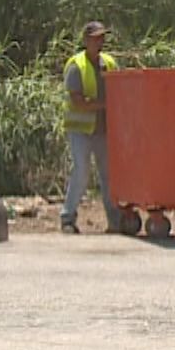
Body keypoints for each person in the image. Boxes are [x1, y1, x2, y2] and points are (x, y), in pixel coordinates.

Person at [62, 20, 124, 233]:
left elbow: (120, 90)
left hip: (103, 130)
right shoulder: (76, 66)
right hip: (81, 130)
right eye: (95, 38)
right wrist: (105, 105)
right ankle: (67, 217)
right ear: (86, 40)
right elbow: (78, 101)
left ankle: (114, 221)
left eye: (102, 37)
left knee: (108, 175)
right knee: (81, 172)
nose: (100, 42)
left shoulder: (109, 63)